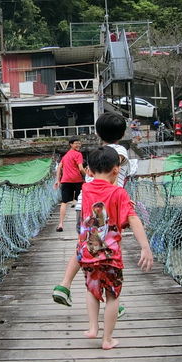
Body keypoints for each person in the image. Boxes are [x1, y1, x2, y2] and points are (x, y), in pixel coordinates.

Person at [74, 146, 153, 350]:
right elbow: (132, 219)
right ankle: (107, 339)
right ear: (116, 170)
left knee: (91, 290)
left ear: (89, 171)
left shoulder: (85, 189)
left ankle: (93, 328)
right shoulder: (119, 192)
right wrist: (145, 247)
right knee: (112, 295)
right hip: (110, 255)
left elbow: (94, 214)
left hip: (89, 251)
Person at [53, 114, 130, 306]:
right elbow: (117, 171)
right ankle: (113, 300)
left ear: (97, 132)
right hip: (107, 208)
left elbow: (90, 172)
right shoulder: (119, 152)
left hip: (84, 205)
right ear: (122, 133)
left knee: (84, 248)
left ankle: (65, 284)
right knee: (109, 252)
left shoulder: (96, 153)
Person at [53, 138, 85, 231]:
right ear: (71, 144)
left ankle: (60, 224)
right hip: (77, 180)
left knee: (64, 202)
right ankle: (82, 223)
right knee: (81, 202)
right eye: (76, 143)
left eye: (79, 143)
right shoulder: (78, 154)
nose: (78, 145)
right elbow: (81, 168)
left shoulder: (65, 156)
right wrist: (87, 176)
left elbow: (59, 167)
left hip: (65, 181)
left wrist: (58, 180)